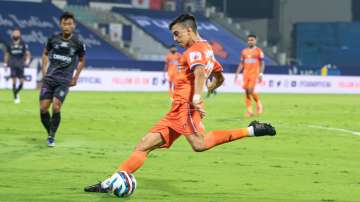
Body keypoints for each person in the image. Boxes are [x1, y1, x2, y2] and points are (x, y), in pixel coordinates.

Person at [84, 14, 276, 193]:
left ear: (189, 30)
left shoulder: (195, 51)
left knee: (199, 144)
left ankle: (251, 130)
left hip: (186, 109)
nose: (175, 39)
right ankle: (110, 183)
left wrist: (197, 98)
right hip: (177, 111)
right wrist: (211, 86)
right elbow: (218, 75)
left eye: (177, 34)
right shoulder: (207, 49)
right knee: (143, 145)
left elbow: (200, 72)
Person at [39, 12, 86, 147]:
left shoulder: (78, 42)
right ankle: (50, 131)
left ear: (74, 25)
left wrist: (75, 77)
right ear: (60, 25)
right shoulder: (53, 39)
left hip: (64, 80)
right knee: (43, 109)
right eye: (64, 24)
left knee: (56, 105)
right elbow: (45, 53)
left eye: (69, 24)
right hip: (49, 78)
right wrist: (43, 71)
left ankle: (51, 137)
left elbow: (82, 60)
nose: (67, 26)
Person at [234, 34, 265, 117]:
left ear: (255, 41)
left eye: (252, 40)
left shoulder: (259, 51)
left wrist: (261, 74)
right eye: (249, 40)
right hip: (245, 74)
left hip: (254, 74)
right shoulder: (244, 51)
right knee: (247, 92)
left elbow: (262, 64)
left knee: (250, 90)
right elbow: (241, 63)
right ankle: (250, 111)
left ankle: (259, 104)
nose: (250, 41)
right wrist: (237, 73)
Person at [3, 28, 31, 104]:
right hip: (12, 64)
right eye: (14, 33)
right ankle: (15, 96)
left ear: (20, 35)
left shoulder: (23, 43)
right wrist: (5, 64)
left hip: (21, 64)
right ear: (12, 35)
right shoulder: (9, 44)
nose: (16, 34)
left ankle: (16, 92)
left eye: (17, 33)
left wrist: (27, 61)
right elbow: (6, 54)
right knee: (14, 81)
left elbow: (27, 53)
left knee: (22, 83)